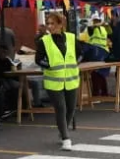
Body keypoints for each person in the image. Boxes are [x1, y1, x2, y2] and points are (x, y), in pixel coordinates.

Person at [36, 11, 80, 150]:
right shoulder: (44, 41)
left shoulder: (72, 38)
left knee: (71, 108)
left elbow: (81, 54)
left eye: (52, 23)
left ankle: (62, 131)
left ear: (61, 24)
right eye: (48, 23)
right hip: (53, 81)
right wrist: (48, 65)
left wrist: (76, 62)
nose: (49, 26)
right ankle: (66, 138)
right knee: (61, 108)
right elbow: (38, 60)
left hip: (71, 79)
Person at [84, 14, 111, 96]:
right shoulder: (98, 28)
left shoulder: (96, 28)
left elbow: (109, 32)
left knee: (96, 73)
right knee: (101, 73)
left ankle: (96, 94)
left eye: (97, 20)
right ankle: (104, 93)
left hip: (97, 53)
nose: (96, 22)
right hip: (103, 52)